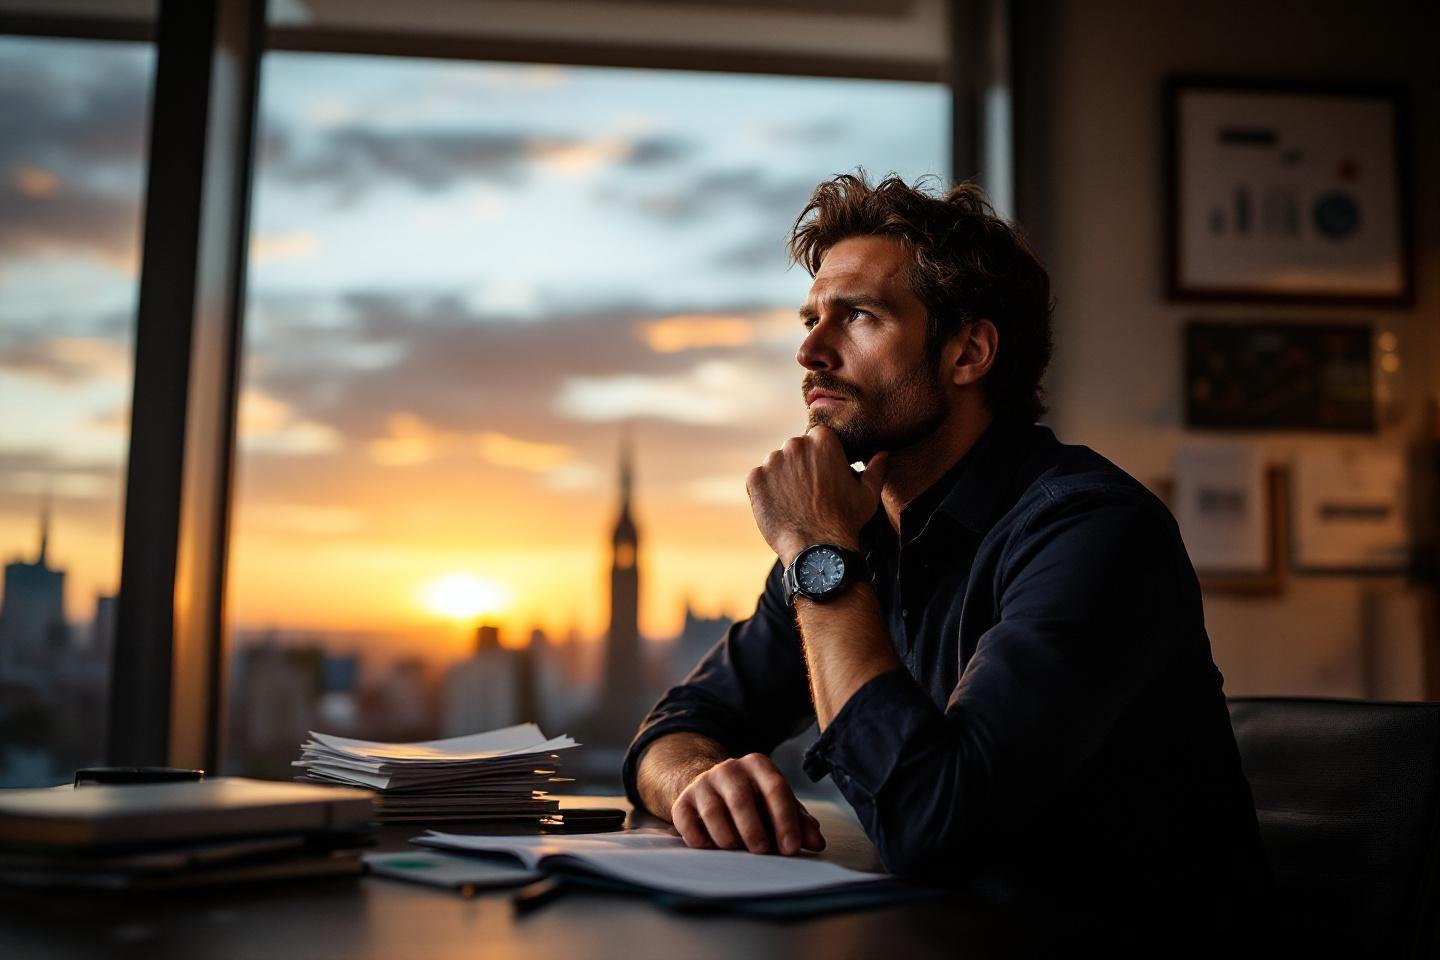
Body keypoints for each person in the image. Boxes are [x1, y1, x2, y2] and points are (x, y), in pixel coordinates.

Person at [621, 173, 1273, 934]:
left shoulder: (1095, 533)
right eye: (811, 319)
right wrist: (696, 780)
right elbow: (673, 727)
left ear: (967, 353)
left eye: (857, 316)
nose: (809, 350)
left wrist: (820, 554)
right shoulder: (855, 530)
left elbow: (935, 826)